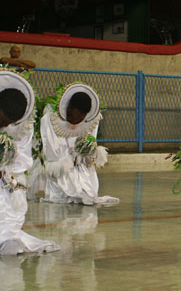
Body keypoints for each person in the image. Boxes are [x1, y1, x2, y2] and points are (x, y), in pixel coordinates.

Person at [0, 70, 59, 254]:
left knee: (12, 205)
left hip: (4, 174)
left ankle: (6, 237)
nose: (4, 126)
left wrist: (7, 170)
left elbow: (21, 158)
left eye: (8, 123)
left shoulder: (23, 126)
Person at [33, 83, 118, 205]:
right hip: (62, 172)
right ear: (68, 107)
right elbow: (51, 152)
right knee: (65, 194)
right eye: (72, 116)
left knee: (88, 194)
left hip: (81, 168)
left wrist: (84, 154)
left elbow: (89, 142)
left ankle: (83, 188)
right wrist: (66, 161)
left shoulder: (91, 120)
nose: (75, 121)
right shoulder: (51, 121)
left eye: (80, 118)